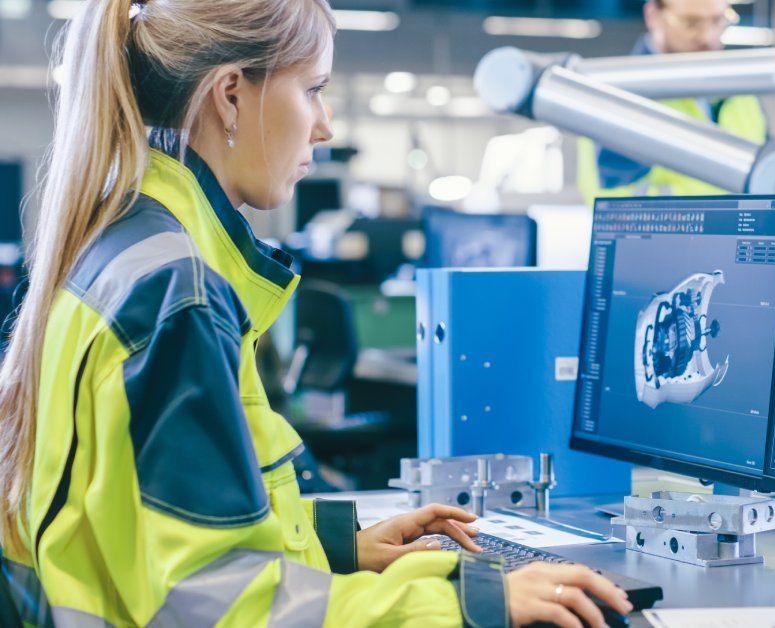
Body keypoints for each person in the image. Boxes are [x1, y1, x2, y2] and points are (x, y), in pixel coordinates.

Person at [0, 1, 631, 626]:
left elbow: (154, 527)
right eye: (312, 89)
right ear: (230, 96)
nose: (324, 126)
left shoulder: (131, 243)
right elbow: (221, 607)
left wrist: (337, 545)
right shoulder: (179, 292)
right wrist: (472, 602)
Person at [576, 0, 768, 202]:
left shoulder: (743, 95)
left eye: (718, 20)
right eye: (690, 23)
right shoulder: (620, 97)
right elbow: (612, 203)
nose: (707, 36)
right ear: (653, 16)